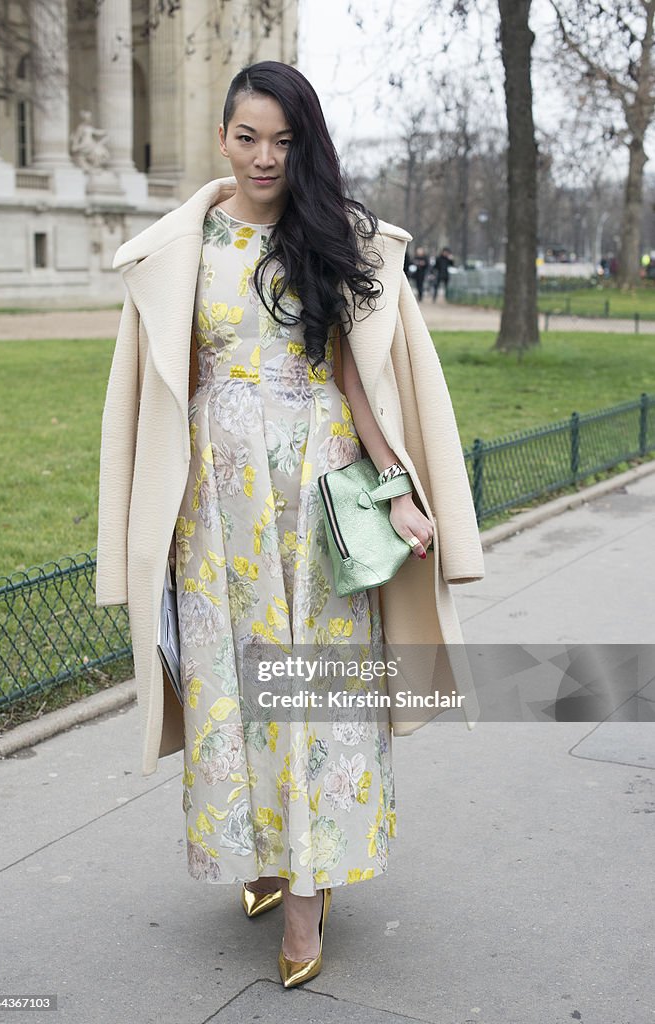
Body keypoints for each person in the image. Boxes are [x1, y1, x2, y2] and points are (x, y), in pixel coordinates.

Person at [96, 61, 484, 991]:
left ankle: (308, 891)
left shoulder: (340, 239)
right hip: (214, 501)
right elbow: (160, 390)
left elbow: (362, 376)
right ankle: (268, 856)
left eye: (283, 139)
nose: (264, 156)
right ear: (221, 136)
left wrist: (395, 485)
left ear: (304, 143)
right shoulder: (178, 247)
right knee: (232, 681)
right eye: (247, 137)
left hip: (315, 489)